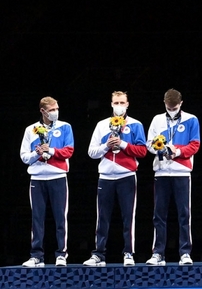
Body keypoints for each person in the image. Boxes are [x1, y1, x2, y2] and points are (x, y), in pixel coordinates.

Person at [83, 91, 148, 267]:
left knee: (128, 217)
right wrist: (106, 146)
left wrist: (123, 144)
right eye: (116, 102)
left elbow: (143, 151)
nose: (118, 105)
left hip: (126, 176)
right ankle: (98, 254)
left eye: (122, 102)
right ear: (111, 104)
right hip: (105, 177)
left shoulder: (136, 125)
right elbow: (91, 152)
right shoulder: (101, 125)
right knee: (102, 217)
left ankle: (128, 253)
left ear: (127, 104)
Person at [145, 89, 201, 266]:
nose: (171, 110)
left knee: (184, 214)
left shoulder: (191, 119)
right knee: (159, 214)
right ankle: (158, 253)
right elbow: (149, 143)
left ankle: (185, 252)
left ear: (181, 103)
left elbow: (195, 145)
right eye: (169, 107)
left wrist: (177, 152)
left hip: (182, 172)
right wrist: (159, 150)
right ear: (164, 103)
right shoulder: (157, 119)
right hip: (161, 172)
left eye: (174, 107)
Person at [20, 96, 75, 267]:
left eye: (56, 109)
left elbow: (69, 151)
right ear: (43, 111)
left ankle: (61, 254)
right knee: (37, 218)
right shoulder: (31, 130)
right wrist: (37, 154)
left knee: (60, 217)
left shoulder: (65, 127)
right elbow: (24, 157)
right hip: (37, 178)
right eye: (52, 110)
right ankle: (36, 256)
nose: (55, 112)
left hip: (57, 177)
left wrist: (50, 150)